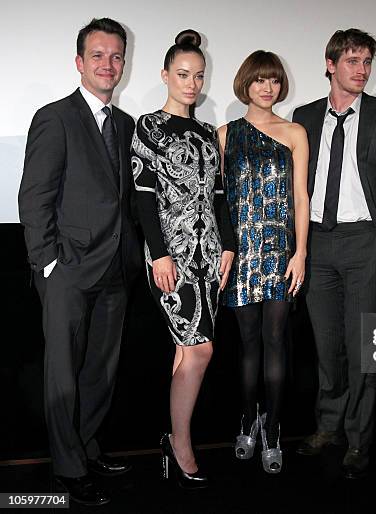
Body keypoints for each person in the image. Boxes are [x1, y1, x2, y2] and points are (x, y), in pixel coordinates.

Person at [18, 18, 141, 505]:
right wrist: (47, 262)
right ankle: (68, 469)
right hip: (67, 268)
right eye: (98, 55)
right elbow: (35, 195)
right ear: (79, 62)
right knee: (64, 372)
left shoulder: (126, 124)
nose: (108, 64)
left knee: (100, 371)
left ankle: (86, 449)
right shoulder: (55, 117)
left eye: (115, 56)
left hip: (115, 267)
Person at [292, 28, 376, 479]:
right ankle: (328, 427)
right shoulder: (303, 116)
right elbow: (295, 187)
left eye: (366, 62)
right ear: (330, 65)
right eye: (352, 61)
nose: (361, 70)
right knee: (328, 347)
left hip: (367, 243)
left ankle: (359, 440)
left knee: (363, 348)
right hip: (318, 244)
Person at [130, 29, 235, 489]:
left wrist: (228, 245)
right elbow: (142, 197)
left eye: (198, 76)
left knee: (185, 350)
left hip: (210, 256)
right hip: (169, 256)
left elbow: (219, 197)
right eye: (182, 74)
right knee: (201, 349)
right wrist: (160, 256)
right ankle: (181, 442)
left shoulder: (208, 133)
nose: (191, 84)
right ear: (165, 75)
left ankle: (173, 441)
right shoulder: (148, 127)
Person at [218, 50, 309, 473]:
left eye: (273, 80)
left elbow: (301, 197)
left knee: (276, 342)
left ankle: (272, 428)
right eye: (259, 80)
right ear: (245, 84)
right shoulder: (224, 134)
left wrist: (302, 253)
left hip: (279, 253)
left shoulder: (294, 132)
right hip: (239, 254)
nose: (267, 87)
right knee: (247, 345)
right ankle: (245, 420)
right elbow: (216, 201)